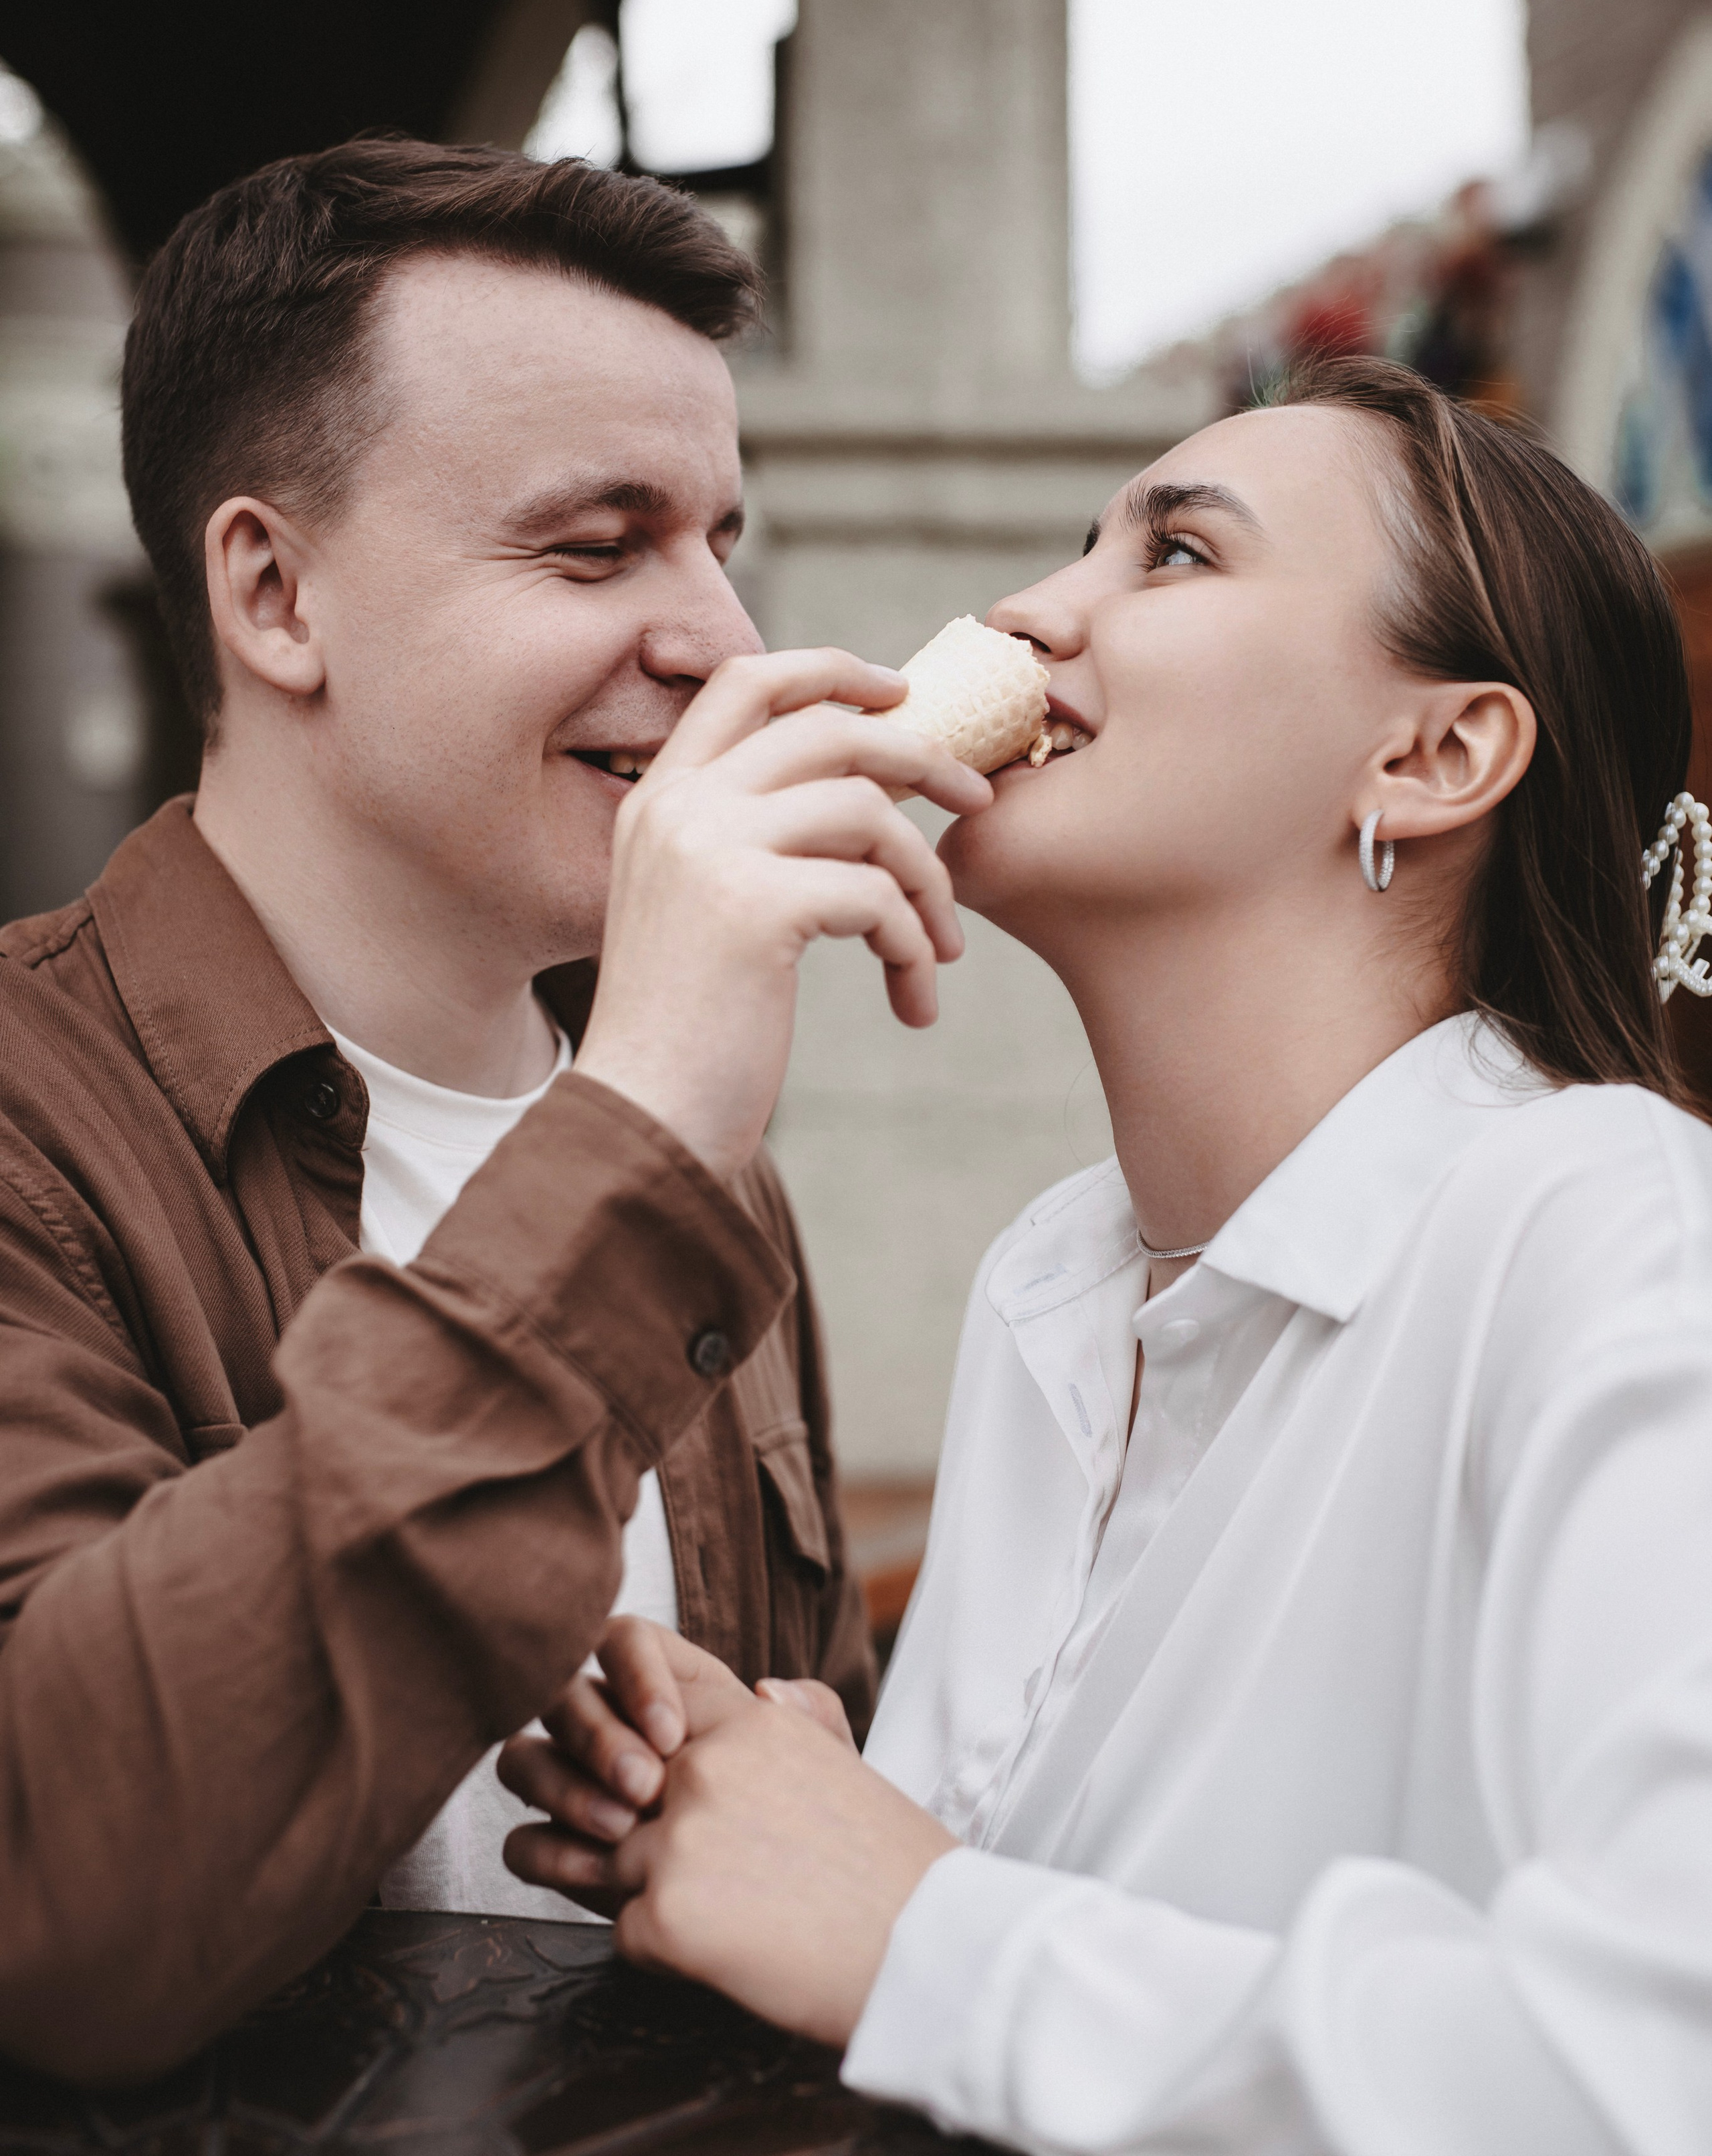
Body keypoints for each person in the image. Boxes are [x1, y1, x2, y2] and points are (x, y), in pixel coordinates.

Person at [499, 355, 1712, 2154]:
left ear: (1433, 754)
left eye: (1176, 557)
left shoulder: (1619, 1241)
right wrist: (788, 1811)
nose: (1026, 610)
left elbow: (1647, 2075)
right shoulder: (1058, 1284)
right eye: (1084, 542)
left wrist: (911, 1924)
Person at [0, 136, 994, 2081]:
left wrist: (803, 1790)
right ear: (275, 595)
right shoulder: (37, 1115)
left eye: (723, 536)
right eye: (596, 544)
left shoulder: (702, 1162)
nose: (717, 634)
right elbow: (61, 1894)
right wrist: (634, 1136)